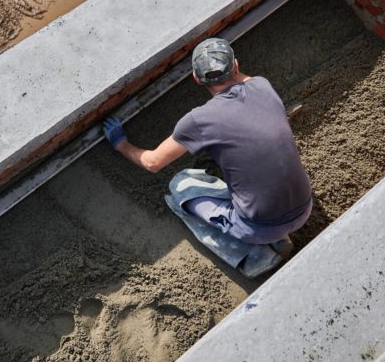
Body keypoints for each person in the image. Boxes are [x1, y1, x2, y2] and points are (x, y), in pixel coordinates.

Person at [102, 38, 312, 278]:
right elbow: (243, 79)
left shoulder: (199, 120)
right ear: (236, 66)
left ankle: (255, 257)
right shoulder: (262, 85)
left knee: (180, 186)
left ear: (195, 78)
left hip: (260, 227)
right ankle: (278, 235)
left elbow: (153, 162)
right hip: (304, 206)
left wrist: (121, 144)